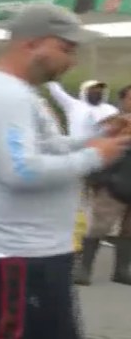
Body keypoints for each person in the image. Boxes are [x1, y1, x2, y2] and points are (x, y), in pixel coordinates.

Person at [0, 4, 131, 338]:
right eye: (66, 49)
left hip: (38, 252)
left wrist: (99, 136)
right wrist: (96, 156)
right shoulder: (5, 95)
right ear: (32, 44)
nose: (72, 61)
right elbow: (21, 170)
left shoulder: (21, 93)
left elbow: (49, 147)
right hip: (19, 254)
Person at [76, 83, 131, 286]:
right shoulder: (112, 123)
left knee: (129, 230)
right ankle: (84, 269)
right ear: (122, 100)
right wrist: (99, 180)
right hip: (112, 183)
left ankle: (122, 270)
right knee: (99, 227)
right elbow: (95, 148)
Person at [47, 79, 118, 138]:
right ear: (84, 92)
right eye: (93, 90)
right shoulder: (73, 105)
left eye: (99, 90)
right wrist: (49, 76)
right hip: (75, 149)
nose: (97, 92)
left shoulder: (111, 109)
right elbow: (56, 91)